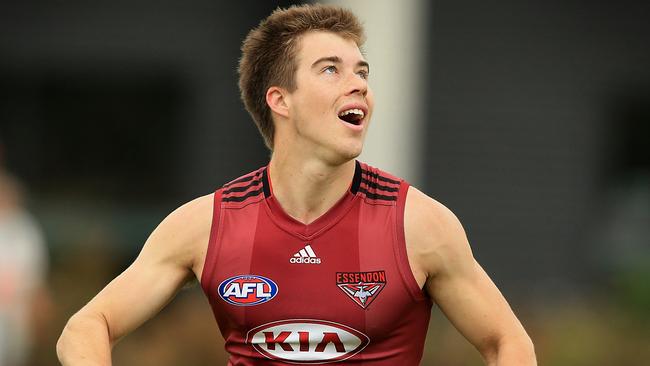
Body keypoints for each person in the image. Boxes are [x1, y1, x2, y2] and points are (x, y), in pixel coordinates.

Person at [57, 4, 536, 365]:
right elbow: (85, 328)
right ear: (280, 100)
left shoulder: (421, 225)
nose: (360, 84)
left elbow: (508, 342)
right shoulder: (203, 225)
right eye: (331, 69)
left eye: (362, 71)